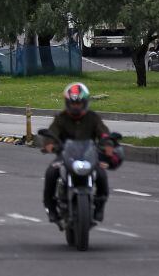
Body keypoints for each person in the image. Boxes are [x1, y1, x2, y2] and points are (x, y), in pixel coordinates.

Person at [41, 82, 113, 223]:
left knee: (101, 174)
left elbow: (103, 133)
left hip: (88, 155)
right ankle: (51, 207)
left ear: (85, 103)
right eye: (73, 103)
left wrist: (107, 144)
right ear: (67, 103)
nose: (76, 106)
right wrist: (49, 144)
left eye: (79, 103)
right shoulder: (61, 118)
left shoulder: (93, 117)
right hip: (65, 155)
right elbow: (52, 133)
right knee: (51, 173)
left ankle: (99, 206)